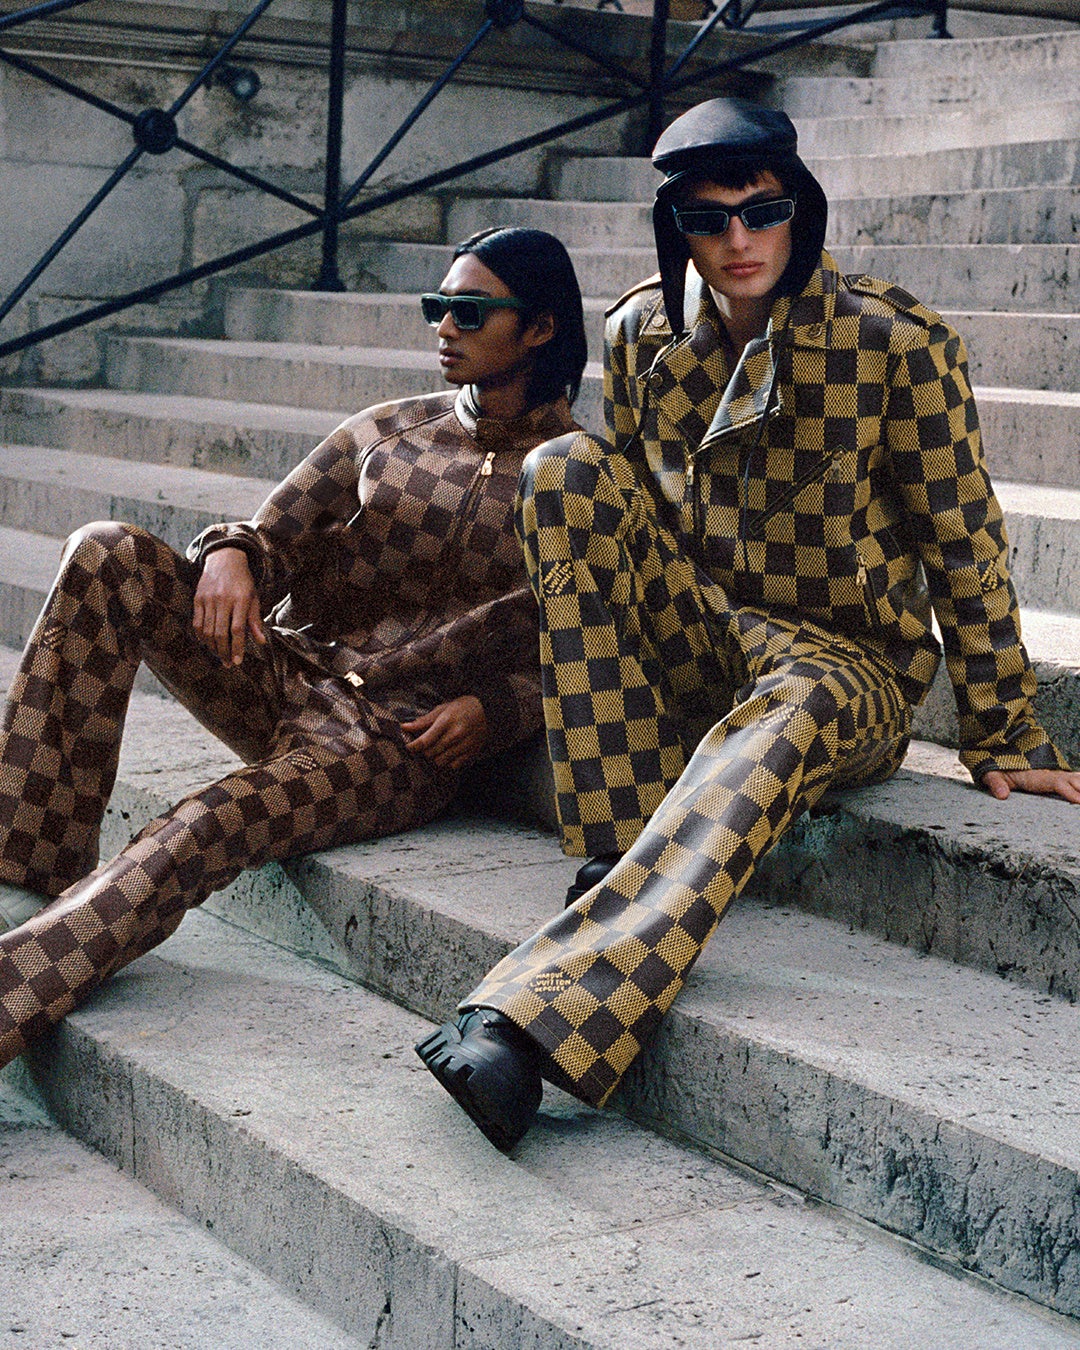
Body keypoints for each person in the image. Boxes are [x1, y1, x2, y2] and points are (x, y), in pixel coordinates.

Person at [416, 98, 1080, 1151]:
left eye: (761, 211)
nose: (738, 240)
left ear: (798, 210)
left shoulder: (892, 344)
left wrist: (1005, 727)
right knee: (567, 470)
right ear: (674, 227)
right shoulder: (640, 331)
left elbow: (965, 543)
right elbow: (624, 519)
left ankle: (527, 1023)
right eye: (707, 218)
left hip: (847, 665)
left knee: (794, 701)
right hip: (707, 631)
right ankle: (617, 846)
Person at [0, 226, 587, 1069]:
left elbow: (602, 640)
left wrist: (502, 708)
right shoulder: (387, 432)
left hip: (393, 743)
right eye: (437, 306)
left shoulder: (576, 478)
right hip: (286, 673)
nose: (442, 327)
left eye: (469, 311)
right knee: (106, 552)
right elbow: (266, 532)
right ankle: (25, 876)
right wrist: (230, 554)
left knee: (206, 821)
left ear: (539, 328)